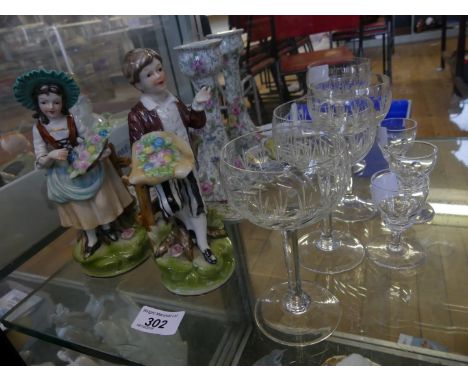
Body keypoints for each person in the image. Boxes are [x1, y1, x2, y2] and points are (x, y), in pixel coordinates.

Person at [13, 69, 133, 258]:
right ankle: (91, 236)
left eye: (56, 102)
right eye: (44, 102)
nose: (50, 107)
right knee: (82, 207)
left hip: (85, 165)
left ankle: (108, 226)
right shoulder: (39, 129)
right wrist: (51, 155)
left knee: (101, 201)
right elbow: (40, 159)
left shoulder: (73, 120)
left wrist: (97, 149)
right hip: (64, 174)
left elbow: (89, 138)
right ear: (37, 103)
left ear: (63, 102)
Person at [122, 48, 217, 264]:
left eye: (159, 69)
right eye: (149, 74)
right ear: (137, 84)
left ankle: (203, 243)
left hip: (186, 162)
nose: (158, 76)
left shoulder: (173, 101)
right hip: (162, 170)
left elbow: (195, 122)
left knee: (196, 200)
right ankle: (186, 226)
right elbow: (138, 148)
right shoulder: (138, 114)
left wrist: (198, 105)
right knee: (171, 204)